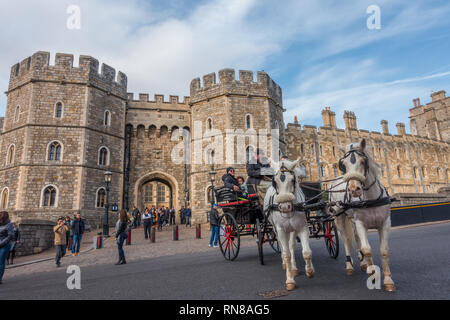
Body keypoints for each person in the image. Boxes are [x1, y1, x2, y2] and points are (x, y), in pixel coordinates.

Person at [0, 211, 14, 284]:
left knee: (1, 262)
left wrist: (1, 243)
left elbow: (10, 236)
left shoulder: (9, 224)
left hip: (4, 246)